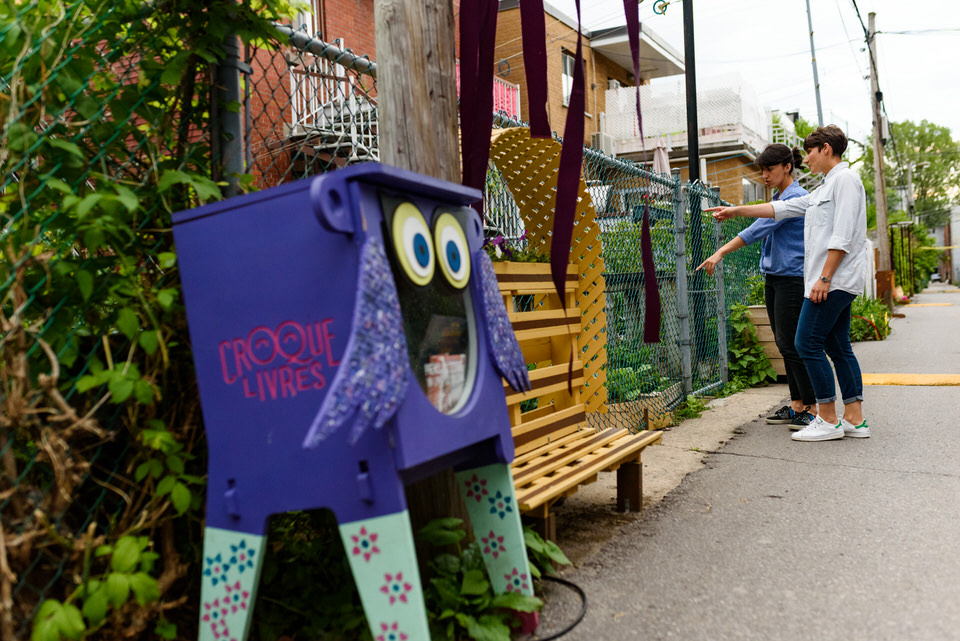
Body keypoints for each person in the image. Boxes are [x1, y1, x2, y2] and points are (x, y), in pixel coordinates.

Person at [707, 125, 869, 442]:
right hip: (829, 280)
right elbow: (781, 209)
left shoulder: (845, 180)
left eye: (809, 152)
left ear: (825, 149)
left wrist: (824, 277)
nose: (805, 159)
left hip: (832, 281)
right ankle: (854, 418)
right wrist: (736, 210)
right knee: (837, 347)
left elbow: (844, 234)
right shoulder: (823, 188)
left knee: (805, 343)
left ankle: (827, 418)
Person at [696, 144, 816, 430]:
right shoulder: (778, 197)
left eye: (769, 169)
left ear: (787, 167)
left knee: (792, 344)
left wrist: (720, 252)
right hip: (776, 277)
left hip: (792, 278)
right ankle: (798, 405)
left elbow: (756, 230)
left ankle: (811, 408)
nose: (764, 175)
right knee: (784, 343)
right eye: (761, 169)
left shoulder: (795, 198)